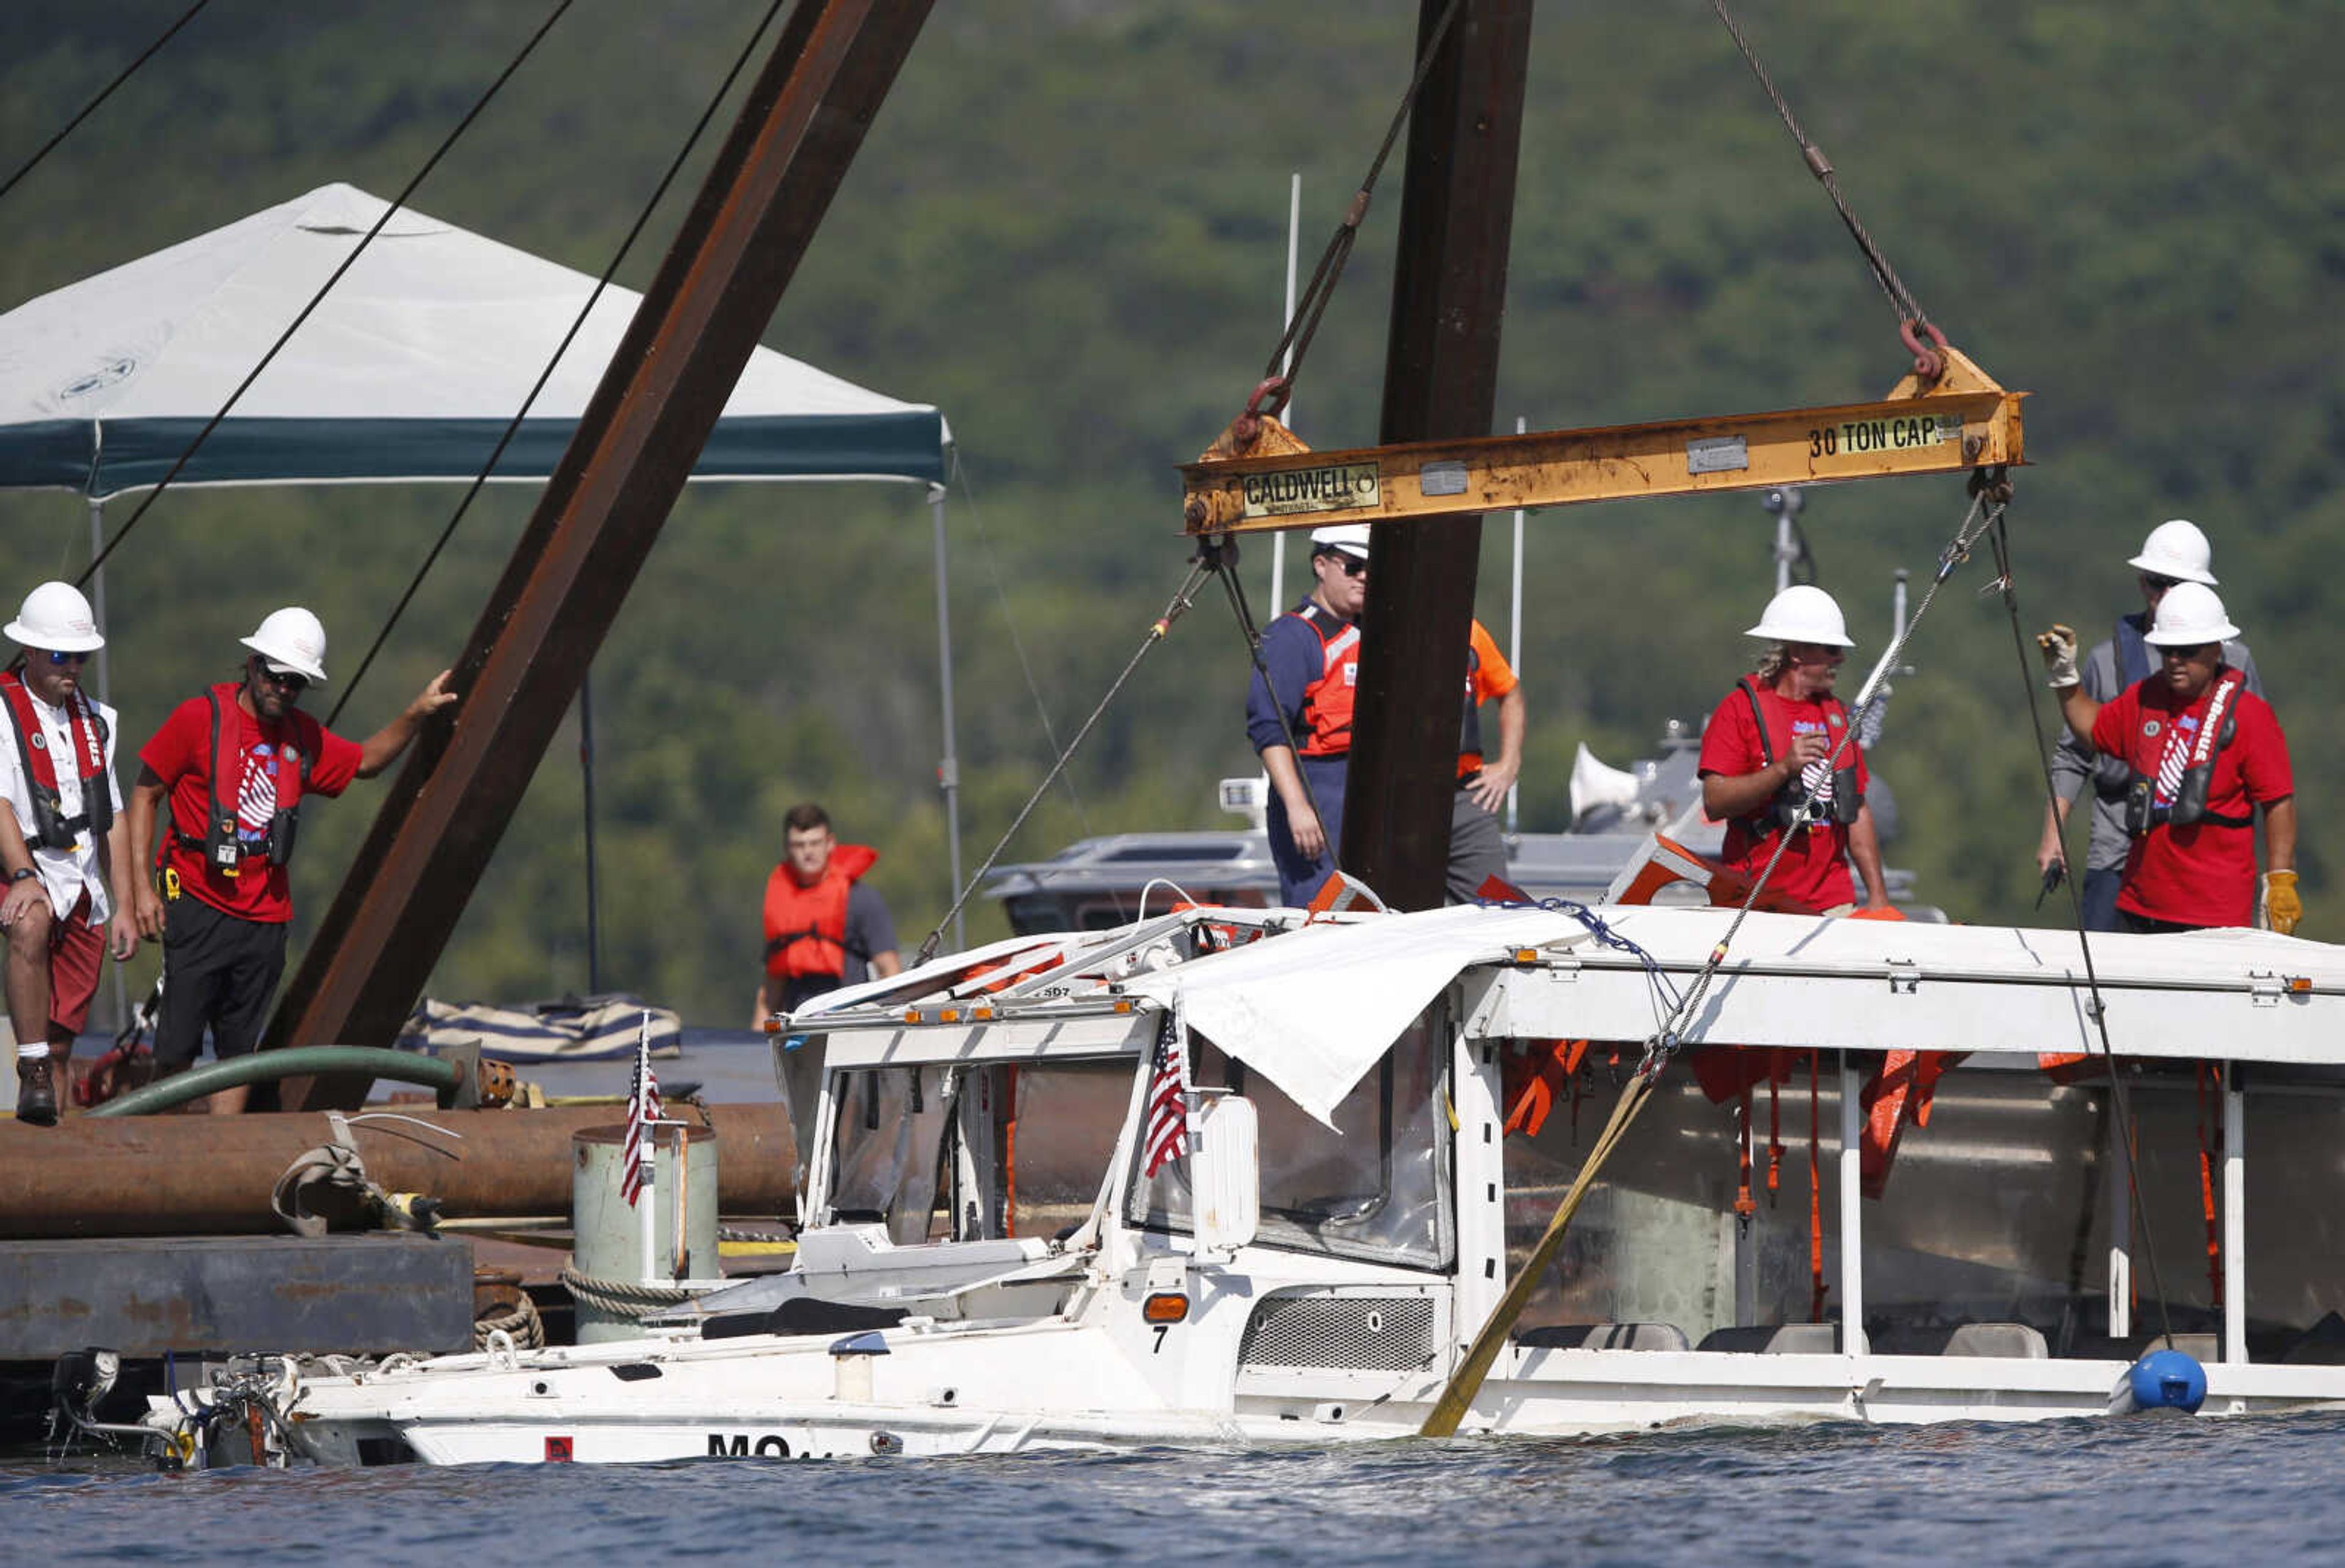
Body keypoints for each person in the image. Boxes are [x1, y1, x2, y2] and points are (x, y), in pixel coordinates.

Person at [126, 608, 456, 1113]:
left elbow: (364, 761)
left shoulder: (301, 737)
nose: (283, 688)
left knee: (238, 1052)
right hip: (195, 898)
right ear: (253, 664)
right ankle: (162, 1162)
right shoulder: (200, 719)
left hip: (265, 918)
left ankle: (223, 1167)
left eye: (296, 682)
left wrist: (415, 714)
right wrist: (143, 890)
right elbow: (145, 794)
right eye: (276, 675)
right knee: (177, 1048)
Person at [2038, 519, 2263, 930]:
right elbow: (2075, 752)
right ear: (2141, 582)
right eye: (2155, 583)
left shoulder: (2236, 662)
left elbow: (2260, 767)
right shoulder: (2106, 661)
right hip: (2118, 839)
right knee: (2107, 968)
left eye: (2175, 585)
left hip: (2199, 853)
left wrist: (2277, 872)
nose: (2164, 596)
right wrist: (2053, 834)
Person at [0, 584, 138, 1125]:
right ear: (30, 652)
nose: (73, 667)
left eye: (80, 656)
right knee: (30, 922)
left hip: (81, 880)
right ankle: (29, 1064)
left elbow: (114, 816)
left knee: (64, 1046)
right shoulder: (3, 713)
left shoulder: (97, 720)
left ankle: (48, 1155)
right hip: (20, 864)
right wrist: (23, 875)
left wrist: (124, 902)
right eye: (61, 655)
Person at [1697, 584, 1893, 915]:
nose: (1840, 659)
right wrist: (1783, 769)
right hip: (1757, 903)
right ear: (1799, 652)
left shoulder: (1838, 718)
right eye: (1832, 650)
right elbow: (1715, 802)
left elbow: (1856, 810)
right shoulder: (1739, 710)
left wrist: (1878, 899)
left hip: (1832, 903)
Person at [1246, 524, 1369, 906]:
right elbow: (1268, 729)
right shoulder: (1291, 637)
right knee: (1320, 913)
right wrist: (1299, 808)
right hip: (1317, 787)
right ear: (1322, 565)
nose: (1364, 577)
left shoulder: (1383, 634)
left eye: (1372, 568)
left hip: (1367, 788)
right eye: (1353, 566)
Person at [755, 802, 902, 1021]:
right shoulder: (782, 902)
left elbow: (889, 970)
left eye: (815, 843)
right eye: (799, 845)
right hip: (797, 1026)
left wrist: (883, 1025)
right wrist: (756, 1042)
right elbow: (771, 989)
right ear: (787, 848)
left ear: (830, 843)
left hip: (848, 1023)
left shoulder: (861, 898)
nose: (808, 852)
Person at [1448, 618, 1525, 902]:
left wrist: (1509, 765)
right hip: (1399, 797)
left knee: (1496, 909)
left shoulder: (1470, 631)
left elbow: (1510, 693)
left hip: (1466, 793)